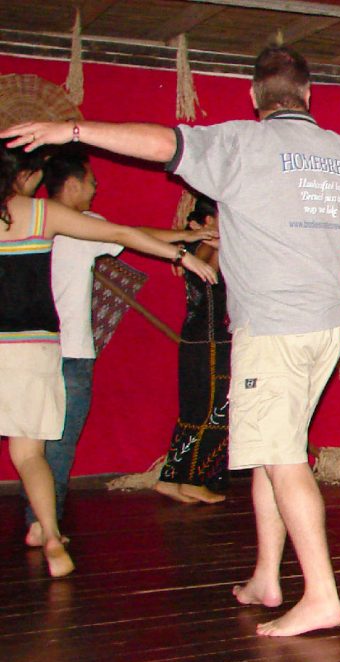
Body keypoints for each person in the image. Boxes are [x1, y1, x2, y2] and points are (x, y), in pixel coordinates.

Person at [4, 45, 340, 635]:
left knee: (283, 457)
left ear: (253, 96)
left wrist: (73, 128)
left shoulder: (241, 143)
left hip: (276, 325)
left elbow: (160, 142)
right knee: (272, 449)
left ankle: (322, 595)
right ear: (309, 94)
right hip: (327, 322)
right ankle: (268, 575)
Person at [0, 144, 216, 578]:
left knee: (39, 451)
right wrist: (183, 251)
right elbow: (122, 232)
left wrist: (185, 241)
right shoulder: (44, 215)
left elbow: (124, 229)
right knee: (40, 453)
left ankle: (42, 529)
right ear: (22, 178)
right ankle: (48, 533)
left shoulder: (55, 217)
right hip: (41, 349)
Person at [155, 194, 231, 505]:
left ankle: (172, 477)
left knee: (193, 411)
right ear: (210, 222)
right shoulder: (209, 250)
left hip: (194, 338)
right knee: (216, 412)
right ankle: (195, 479)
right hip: (212, 340)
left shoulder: (190, 250)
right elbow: (214, 273)